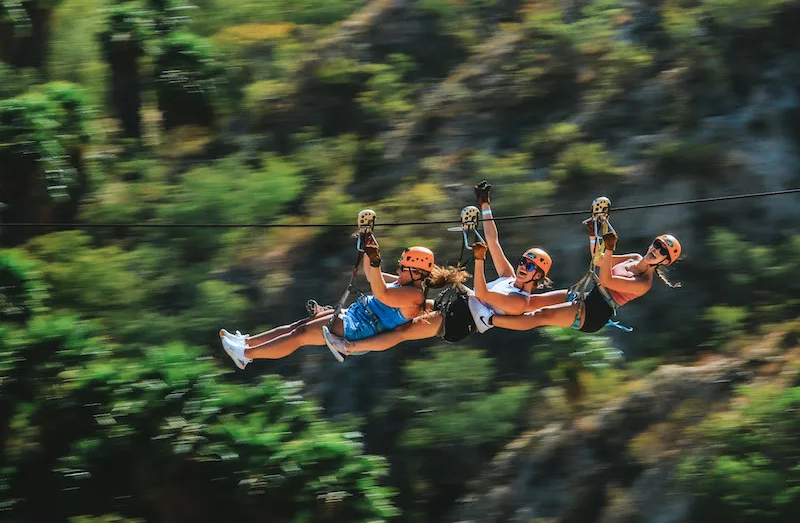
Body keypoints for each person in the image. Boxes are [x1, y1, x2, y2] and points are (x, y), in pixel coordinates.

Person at [322, 181, 560, 356]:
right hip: (458, 305)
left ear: (538, 276)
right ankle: (344, 311)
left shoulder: (520, 301)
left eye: (529, 266)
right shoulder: (508, 278)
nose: (522, 266)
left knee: (402, 332)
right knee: (406, 296)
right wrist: (485, 205)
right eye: (523, 261)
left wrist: (478, 260)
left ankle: (350, 347)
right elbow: (494, 242)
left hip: (459, 321)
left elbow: (484, 294)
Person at [219, 243, 466, 369]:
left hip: (359, 328)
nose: (398, 270)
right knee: (299, 326)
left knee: (301, 335)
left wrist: (377, 262)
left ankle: (245, 355)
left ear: (416, 273)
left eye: (402, 268)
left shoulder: (413, 295)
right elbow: (372, 276)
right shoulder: (405, 284)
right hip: (356, 316)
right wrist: (369, 246)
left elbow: (379, 290)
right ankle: (247, 343)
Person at [484, 227, 682, 334]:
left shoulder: (644, 284)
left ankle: (489, 320)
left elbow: (606, 278)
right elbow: (599, 260)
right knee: (532, 301)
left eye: (663, 251)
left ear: (665, 261)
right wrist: (593, 234)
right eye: (657, 244)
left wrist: (610, 248)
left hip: (594, 313)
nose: (656, 250)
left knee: (540, 315)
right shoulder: (634, 258)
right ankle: (490, 304)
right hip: (588, 297)